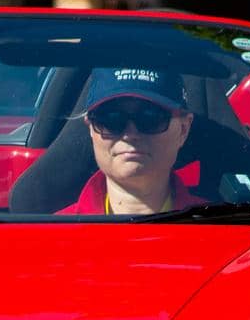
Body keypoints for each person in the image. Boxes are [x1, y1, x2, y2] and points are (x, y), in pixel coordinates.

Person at [57, 68, 200, 215]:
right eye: (111, 119)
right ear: (91, 129)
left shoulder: (220, 230)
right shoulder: (52, 235)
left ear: (183, 129)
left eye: (150, 118)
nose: (130, 134)